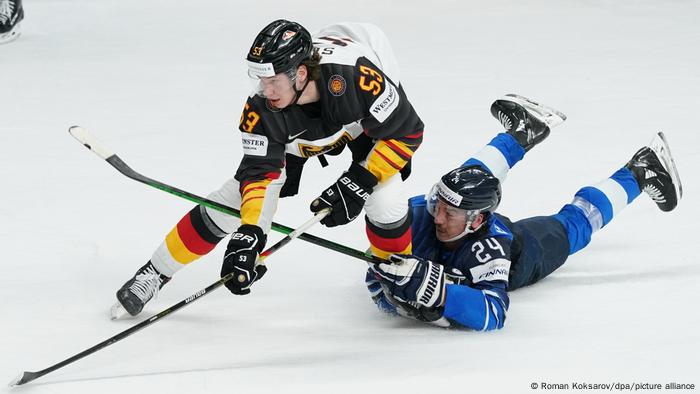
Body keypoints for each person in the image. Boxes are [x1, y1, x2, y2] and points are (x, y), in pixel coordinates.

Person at [111, 20, 424, 318]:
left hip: (355, 114)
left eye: (273, 80)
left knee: (386, 197)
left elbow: (408, 132)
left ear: (301, 73)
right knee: (229, 203)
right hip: (301, 129)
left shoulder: (359, 78)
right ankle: (154, 272)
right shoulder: (262, 107)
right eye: (260, 79)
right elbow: (261, 177)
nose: (265, 90)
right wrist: (250, 234)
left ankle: (398, 275)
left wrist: (360, 178)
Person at [366, 95, 683, 330]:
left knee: (574, 224)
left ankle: (642, 171)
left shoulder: (492, 250)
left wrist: (441, 294)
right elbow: (376, 267)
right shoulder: (424, 212)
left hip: (524, 251)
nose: (437, 217)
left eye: (449, 213)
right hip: (471, 232)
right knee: (466, 181)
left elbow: (493, 314)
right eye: (439, 206)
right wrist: (386, 277)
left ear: (477, 219)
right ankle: (523, 130)